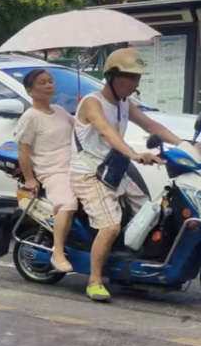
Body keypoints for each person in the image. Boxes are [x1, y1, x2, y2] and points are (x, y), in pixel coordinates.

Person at [71, 48, 176, 302]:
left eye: (138, 78)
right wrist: (135, 154)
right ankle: (95, 280)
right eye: (132, 77)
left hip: (113, 171)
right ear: (113, 76)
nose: (136, 83)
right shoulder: (92, 103)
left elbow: (153, 126)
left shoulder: (124, 104)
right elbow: (107, 132)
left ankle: (132, 269)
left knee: (152, 212)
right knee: (110, 226)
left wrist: (186, 147)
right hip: (88, 173)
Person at [15, 69, 77, 274]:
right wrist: (30, 178)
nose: (49, 85)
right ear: (30, 91)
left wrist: (83, 106)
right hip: (52, 171)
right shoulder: (30, 117)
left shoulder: (59, 110)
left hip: (77, 167)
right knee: (67, 204)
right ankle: (57, 252)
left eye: (50, 81)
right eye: (42, 83)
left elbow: (81, 128)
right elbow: (23, 149)